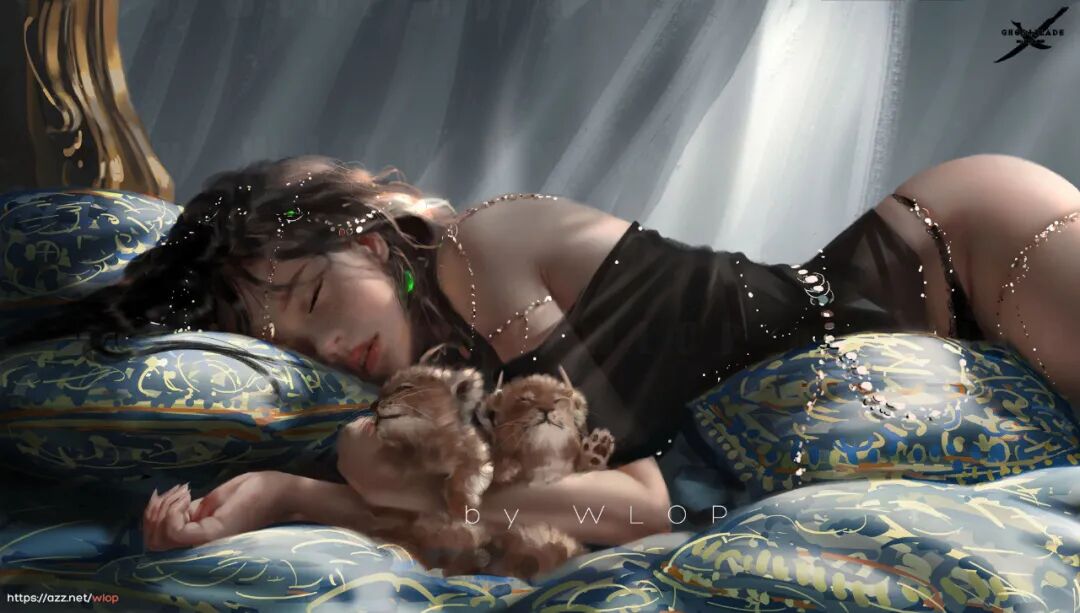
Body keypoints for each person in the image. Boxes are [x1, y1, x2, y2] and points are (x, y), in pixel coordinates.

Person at [6, 154, 1079, 554]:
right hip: (877, 368)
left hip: (957, 251)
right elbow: (574, 511)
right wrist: (300, 489)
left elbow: (599, 496)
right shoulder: (435, 391)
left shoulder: (484, 246)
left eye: (319, 297)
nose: (328, 344)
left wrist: (330, 492)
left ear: (373, 242)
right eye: (288, 342)